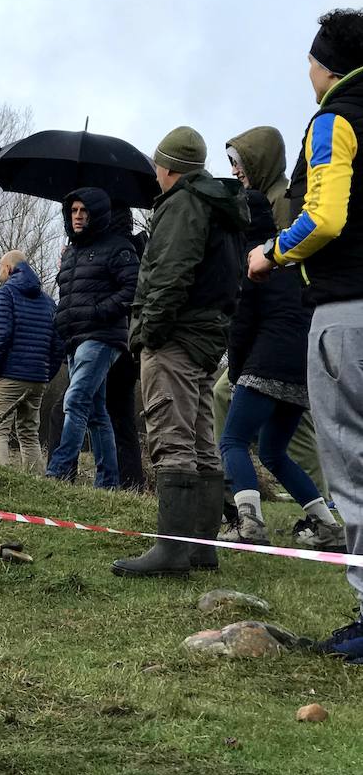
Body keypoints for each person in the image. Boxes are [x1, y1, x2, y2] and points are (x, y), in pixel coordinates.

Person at [247, 8, 363, 659]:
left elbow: (324, 216)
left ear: (328, 66)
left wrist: (272, 251)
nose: (308, 75)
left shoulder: (334, 118)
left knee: (350, 468)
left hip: (347, 313)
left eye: (311, 64)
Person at [113, 126, 248, 577]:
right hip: (208, 336)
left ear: (168, 166)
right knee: (201, 439)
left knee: (171, 437)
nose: (155, 171)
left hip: (176, 336)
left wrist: (147, 332)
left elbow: (171, 273)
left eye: (158, 163)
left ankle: (171, 553)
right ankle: (201, 547)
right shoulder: (219, 204)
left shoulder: (184, 204)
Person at [215, 127, 333, 541]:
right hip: (300, 359)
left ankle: (249, 522)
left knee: (232, 440)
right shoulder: (277, 248)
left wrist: (240, 369)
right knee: (272, 451)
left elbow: (244, 322)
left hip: (267, 357)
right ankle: (327, 523)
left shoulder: (256, 261)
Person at [46, 189, 139, 489]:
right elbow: (70, 294)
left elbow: (134, 287)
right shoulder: (71, 252)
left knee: (75, 400)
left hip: (102, 336)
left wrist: (102, 311)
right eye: (73, 210)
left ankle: (58, 473)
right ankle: (108, 481)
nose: (78, 215)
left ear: (97, 214)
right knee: (98, 413)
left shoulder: (118, 248)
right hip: (75, 337)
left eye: (84, 211)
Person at [0, 249, 63, 473]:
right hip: (37, 378)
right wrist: (46, 374)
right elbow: (58, 344)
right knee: (29, 433)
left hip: (9, 374)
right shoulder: (48, 302)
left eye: (0, 268)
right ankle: (35, 485)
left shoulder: (5, 294)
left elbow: (0, 335)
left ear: (8, 268)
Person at [106, 203, 148, 491]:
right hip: (130, 345)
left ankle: (112, 478)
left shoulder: (117, 252)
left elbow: (124, 293)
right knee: (121, 417)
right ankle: (131, 482)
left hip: (112, 339)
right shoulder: (138, 249)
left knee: (84, 410)